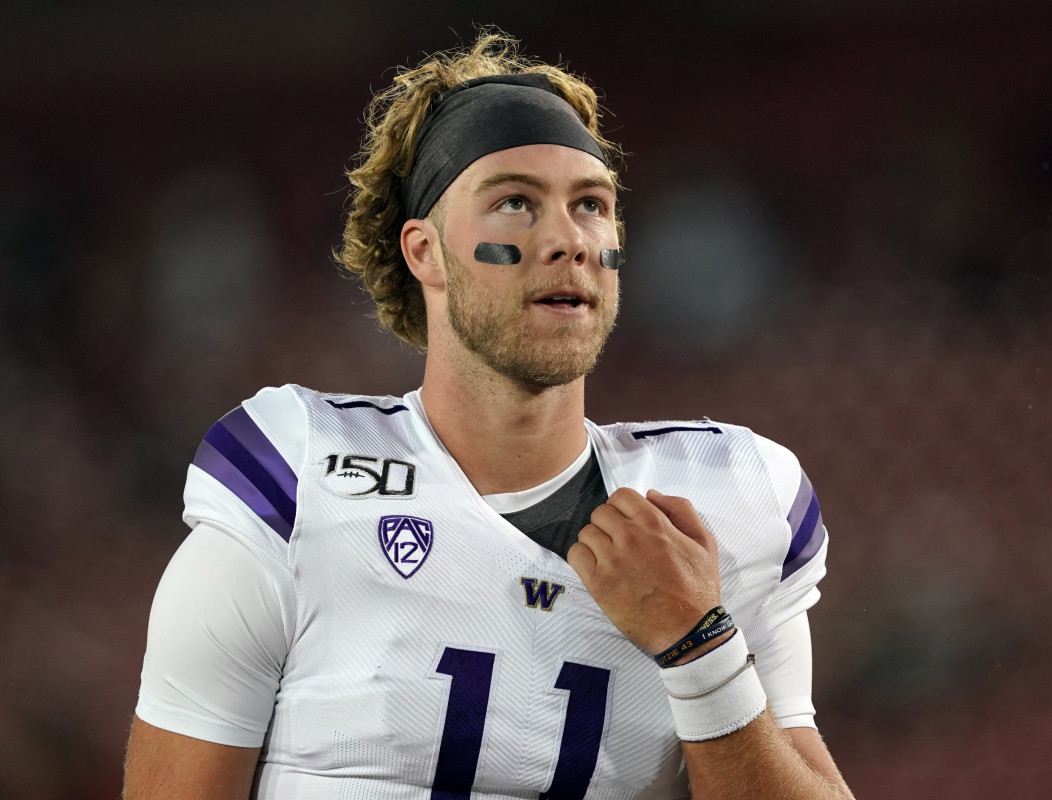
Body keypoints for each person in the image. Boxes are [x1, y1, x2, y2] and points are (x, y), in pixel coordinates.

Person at [123, 31, 855, 800]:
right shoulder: (295, 478)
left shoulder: (719, 506)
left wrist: (701, 651)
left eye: (591, 206)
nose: (568, 239)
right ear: (425, 252)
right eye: (515, 202)